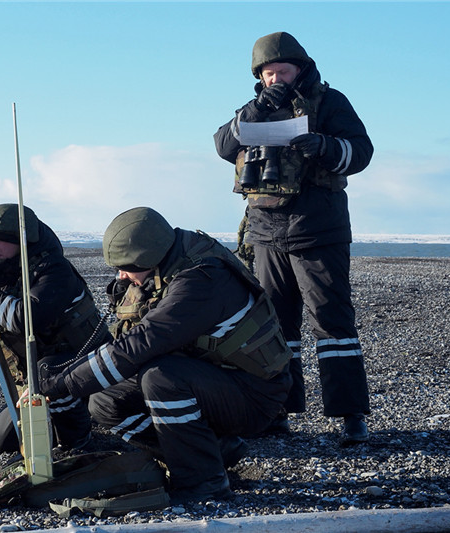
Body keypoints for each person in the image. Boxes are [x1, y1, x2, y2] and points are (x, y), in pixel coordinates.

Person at [39, 207, 293, 503]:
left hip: (255, 394)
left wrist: (64, 384)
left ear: (150, 256)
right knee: (105, 401)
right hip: (212, 376)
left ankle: (204, 481)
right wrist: (67, 376)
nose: (121, 275)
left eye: (126, 267)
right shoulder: (166, 264)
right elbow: (127, 343)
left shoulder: (200, 281)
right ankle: (213, 451)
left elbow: (140, 344)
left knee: (161, 379)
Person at [213, 31, 373, 444]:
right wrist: (253, 112)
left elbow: (361, 151)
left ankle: (350, 414)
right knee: (276, 327)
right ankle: (277, 410)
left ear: (300, 68)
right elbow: (222, 145)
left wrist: (322, 145)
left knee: (333, 324)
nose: (275, 79)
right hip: (266, 233)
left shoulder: (331, 102)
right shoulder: (254, 109)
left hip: (319, 230)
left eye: (282, 71)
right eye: (267, 73)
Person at [0, 203, 106, 453]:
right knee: (3, 443)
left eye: (1, 240)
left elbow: (25, 318)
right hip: (34, 376)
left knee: (47, 375)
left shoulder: (54, 271)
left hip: (83, 368)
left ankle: (78, 440)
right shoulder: (2, 266)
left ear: (23, 240)